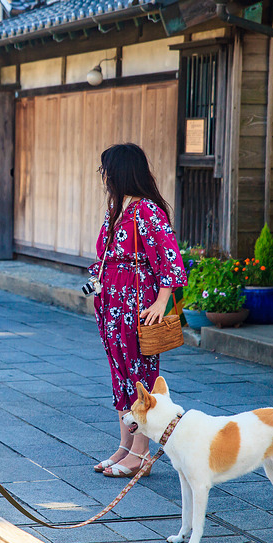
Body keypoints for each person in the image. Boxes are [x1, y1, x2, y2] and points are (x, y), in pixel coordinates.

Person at [89, 143, 187, 478]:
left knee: (138, 375)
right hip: (112, 302)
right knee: (120, 374)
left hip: (136, 303)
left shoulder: (146, 211)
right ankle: (125, 446)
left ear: (119, 172)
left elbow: (169, 257)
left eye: (105, 170)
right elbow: (106, 255)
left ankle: (141, 453)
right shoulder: (117, 209)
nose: (103, 177)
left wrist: (162, 301)